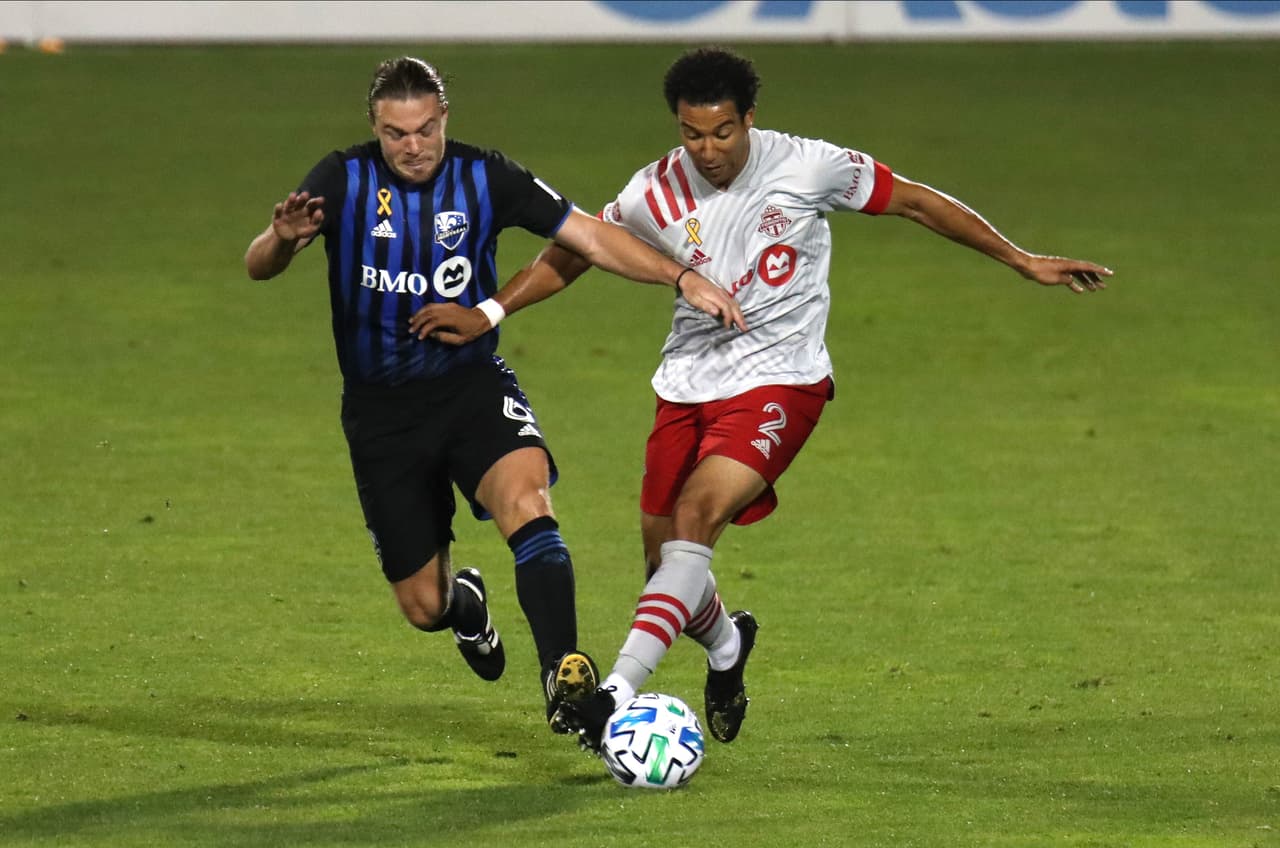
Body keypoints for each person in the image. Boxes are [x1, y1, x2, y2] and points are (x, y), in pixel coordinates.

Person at [408, 46, 1112, 751]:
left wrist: (1021, 259)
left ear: (749, 119)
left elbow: (918, 202)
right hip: (685, 383)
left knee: (696, 516)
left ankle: (615, 696)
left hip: (783, 376)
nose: (708, 150)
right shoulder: (653, 191)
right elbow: (576, 251)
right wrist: (492, 313)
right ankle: (727, 647)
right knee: (668, 575)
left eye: (722, 132)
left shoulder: (808, 166)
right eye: (692, 134)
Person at [243, 56, 745, 732]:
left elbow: (590, 238)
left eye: (424, 129)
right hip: (381, 417)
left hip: (470, 386)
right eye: (395, 134)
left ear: (444, 117)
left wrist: (680, 278)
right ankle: (466, 606)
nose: (412, 147)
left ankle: (563, 674)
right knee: (423, 605)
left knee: (527, 503)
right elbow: (259, 266)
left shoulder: (486, 177)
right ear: (374, 128)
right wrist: (281, 240)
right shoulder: (344, 179)